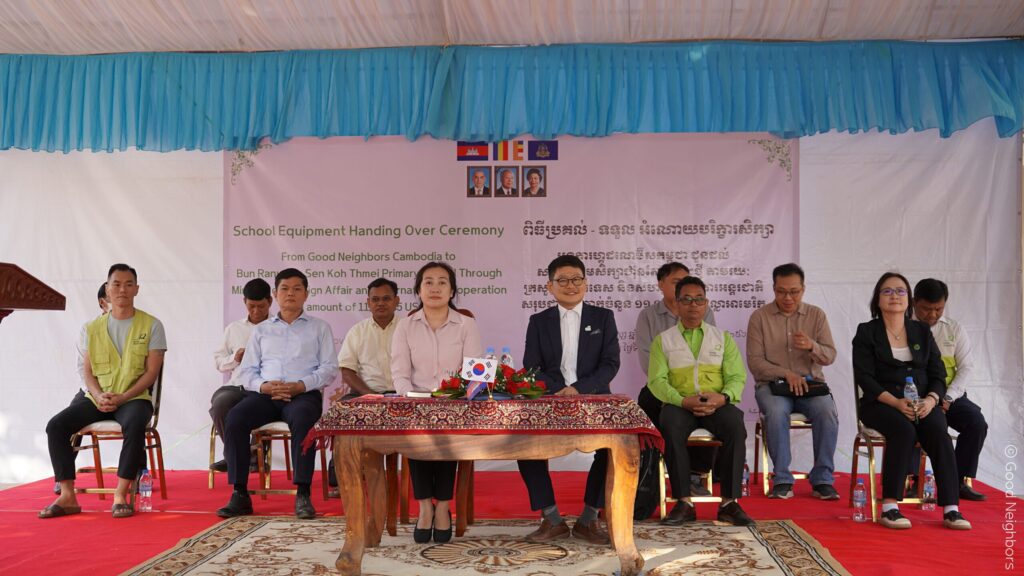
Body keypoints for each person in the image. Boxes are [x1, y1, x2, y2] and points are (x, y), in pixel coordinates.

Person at [40, 264, 167, 519]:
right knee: (56, 425)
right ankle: (67, 495)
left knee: (134, 424)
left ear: (137, 289)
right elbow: (86, 370)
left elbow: (151, 373)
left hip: (134, 398)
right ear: (107, 290)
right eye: (116, 284)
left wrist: (123, 397)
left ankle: (120, 494)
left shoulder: (152, 325)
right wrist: (97, 395)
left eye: (129, 284)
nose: (122, 289)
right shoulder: (91, 328)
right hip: (97, 397)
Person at [216, 268, 338, 520]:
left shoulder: (320, 328)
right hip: (266, 393)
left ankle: (303, 492)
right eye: (284, 288)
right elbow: (248, 370)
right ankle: (239, 493)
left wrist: (300, 385)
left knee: (305, 419)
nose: (290, 294)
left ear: (306, 294)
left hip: (303, 394)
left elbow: (329, 369)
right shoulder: (261, 330)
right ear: (275, 294)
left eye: (296, 289)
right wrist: (264, 386)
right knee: (236, 418)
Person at [851, 272, 970, 530]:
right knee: (903, 430)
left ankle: (952, 508)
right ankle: (890, 507)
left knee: (938, 430)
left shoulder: (921, 331)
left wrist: (931, 400)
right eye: (888, 291)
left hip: (922, 402)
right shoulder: (867, 332)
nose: (895, 296)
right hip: (880, 403)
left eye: (900, 291)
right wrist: (895, 403)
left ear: (909, 300)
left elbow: (937, 374)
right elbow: (865, 378)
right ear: (878, 298)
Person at [517, 255, 620, 545]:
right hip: (550, 398)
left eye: (576, 279)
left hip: (593, 397)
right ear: (550, 286)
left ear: (586, 284)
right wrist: (560, 390)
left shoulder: (603, 317)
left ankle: (589, 518)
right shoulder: (538, 321)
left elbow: (610, 364)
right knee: (525, 446)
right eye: (562, 280)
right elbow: (531, 366)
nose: (570, 285)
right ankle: (552, 519)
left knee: (611, 449)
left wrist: (578, 389)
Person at [648, 276, 753, 526]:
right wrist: (682, 401)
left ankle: (729, 502)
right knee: (670, 426)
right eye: (686, 299)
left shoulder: (722, 338)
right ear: (677, 304)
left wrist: (723, 397)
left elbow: (737, 376)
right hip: (680, 404)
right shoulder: (664, 340)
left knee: (735, 425)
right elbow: (657, 381)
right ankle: (684, 502)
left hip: (716, 402)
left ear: (706, 303)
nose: (693, 305)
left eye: (699, 299)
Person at [391, 262, 482, 544]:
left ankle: (442, 506)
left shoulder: (467, 325)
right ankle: (424, 507)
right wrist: (411, 398)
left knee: (447, 431)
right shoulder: (405, 326)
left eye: (442, 282)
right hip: (416, 403)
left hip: (455, 403)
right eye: (428, 282)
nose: (435, 288)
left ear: (452, 290)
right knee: (418, 435)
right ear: (418, 290)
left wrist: (457, 397)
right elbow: (399, 373)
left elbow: (475, 373)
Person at [747, 263, 840, 500]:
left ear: (803, 289)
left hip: (810, 386)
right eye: (781, 291)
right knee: (776, 413)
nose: (787, 297)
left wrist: (812, 346)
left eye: (794, 291)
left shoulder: (816, 315)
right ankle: (782, 479)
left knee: (827, 411)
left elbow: (829, 355)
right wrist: (785, 373)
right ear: (774, 289)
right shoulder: (759, 317)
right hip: (773, 387)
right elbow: (755, 362)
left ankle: (822, 479)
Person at [634, 262, 716, 495]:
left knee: (708, 404)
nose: (683, 288)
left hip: (696, 383)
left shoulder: (705, 312)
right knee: (646, 401)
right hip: (662, 384)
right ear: (661, 285)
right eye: (676, 282)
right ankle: (647, 475)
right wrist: (674, 387)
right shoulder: (648, 316)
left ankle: (696, 475)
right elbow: (647, 361)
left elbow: (710, 352)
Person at [912, 278, 987, 501]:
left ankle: (957, 480)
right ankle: (911, 479)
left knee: (976, 422)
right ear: (915, 303)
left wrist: (947, 397)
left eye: (938, 309)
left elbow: (967, 367)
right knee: (914, 421)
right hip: (915, 396)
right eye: (927, 309)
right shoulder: (903, 327)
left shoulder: (954, 329)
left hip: (950, 396)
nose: (932, 315)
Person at [325, 277, 401, 494]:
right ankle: (342, 480)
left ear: (397, 301)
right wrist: (370, 394)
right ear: (368, 302)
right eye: (375, 299)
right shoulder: (357, 331)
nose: (380, 303)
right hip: (364, 392)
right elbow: (347, 370)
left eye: (386, 299)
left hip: (403, 393)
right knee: (342, 413)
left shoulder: (408, 328)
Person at [209, 278, 273, 472]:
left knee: (262, 403)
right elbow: (219, 363)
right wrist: (235, 358)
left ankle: (247, 456)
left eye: (261, 306)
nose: (255, 311)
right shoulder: (234, 329)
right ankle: (235, 454)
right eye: (251, 306)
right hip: (238, 384)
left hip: (266, 385)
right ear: (244, 301)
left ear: (270, 302)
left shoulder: (279, 327)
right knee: (220, 402)